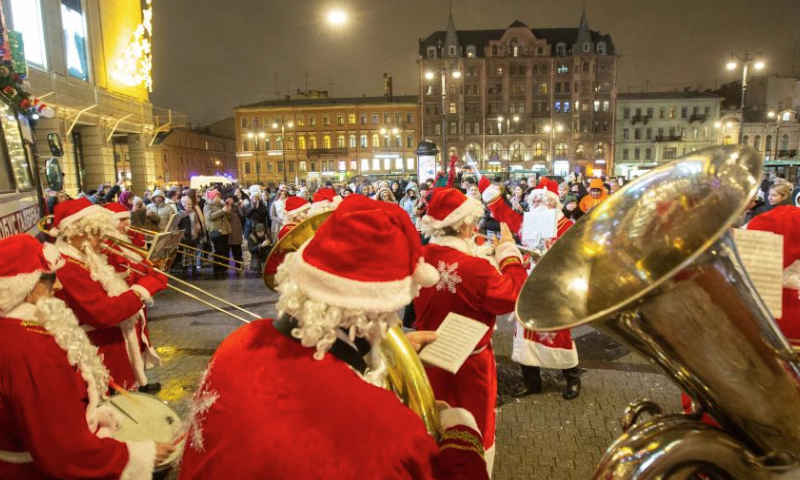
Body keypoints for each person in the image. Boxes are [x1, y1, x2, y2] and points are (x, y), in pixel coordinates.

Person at [177, 195, 489, 480]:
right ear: (373, 313)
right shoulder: (387, 428)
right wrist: (461, 429)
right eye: (393, 311)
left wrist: (391, 351)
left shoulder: (240, 341)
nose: (393, 320)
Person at [0, 234, 172, 480]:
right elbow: (65, 452)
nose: (58, 287)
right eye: (50, 280)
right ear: (22, 286)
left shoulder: (14, 332)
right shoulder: (33, 350)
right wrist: (139, 454)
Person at [415, 187, 527, 475]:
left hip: (426, 358)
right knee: (475, 426)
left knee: (432, 420)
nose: (475, 227)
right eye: (472, 222)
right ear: (464, 224)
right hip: (469, 367)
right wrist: (507, 252)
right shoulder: (478, 269)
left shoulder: (420, 255)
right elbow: (515, 294)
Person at [50, 198, 168, 391]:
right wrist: (143, 289)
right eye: (96, 232)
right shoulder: (68, 267)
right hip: (97, 355)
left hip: (110, 348)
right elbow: (104, 313)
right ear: (77, 232)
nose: (103, 238)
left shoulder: (84, 258)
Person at [509, 186, 581, 400]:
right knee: (524, 331)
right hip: (529, 284)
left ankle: (573, 378)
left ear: (553, 204)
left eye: (542, 201)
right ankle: (531, 382)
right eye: (535, 202)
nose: (538, 205)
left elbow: (574, 256)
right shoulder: (528, 224)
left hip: (553, 287)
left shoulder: (566, 226)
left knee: (558, 332)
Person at [204, 190, 231, 279]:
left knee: (225, 250)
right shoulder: (208, 206)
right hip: (215, 231)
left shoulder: (222, 205)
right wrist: (222, 211)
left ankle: (224, 268)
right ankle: (217, 270)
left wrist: (228, 211)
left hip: (225, 231)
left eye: (219, 196)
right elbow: (210, 216)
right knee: (218, 251)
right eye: (216, 197)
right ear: (212, 198)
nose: (218, 198)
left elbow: (228, 218)